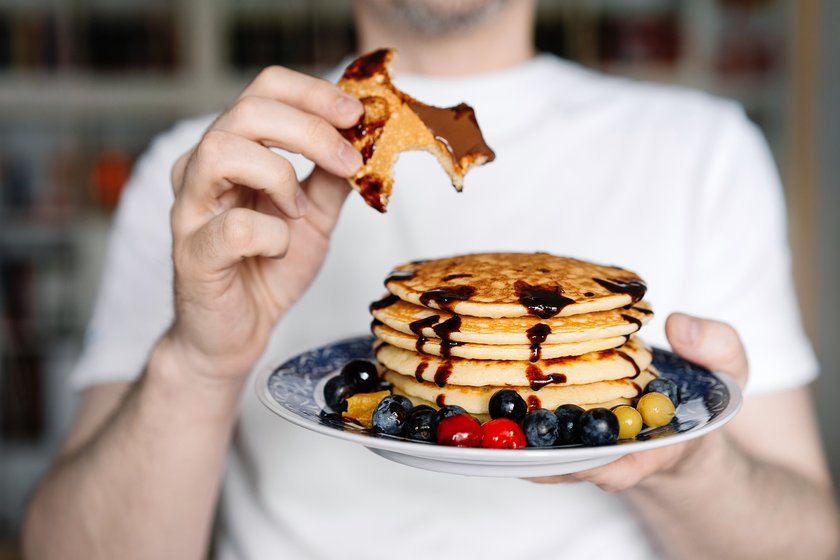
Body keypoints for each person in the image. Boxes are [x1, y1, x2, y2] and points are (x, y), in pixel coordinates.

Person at [22, 1, 840, 558]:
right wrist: (200, 360)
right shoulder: (210, 176)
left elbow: (808, 542)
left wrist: (691, 463)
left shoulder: (706, 150)